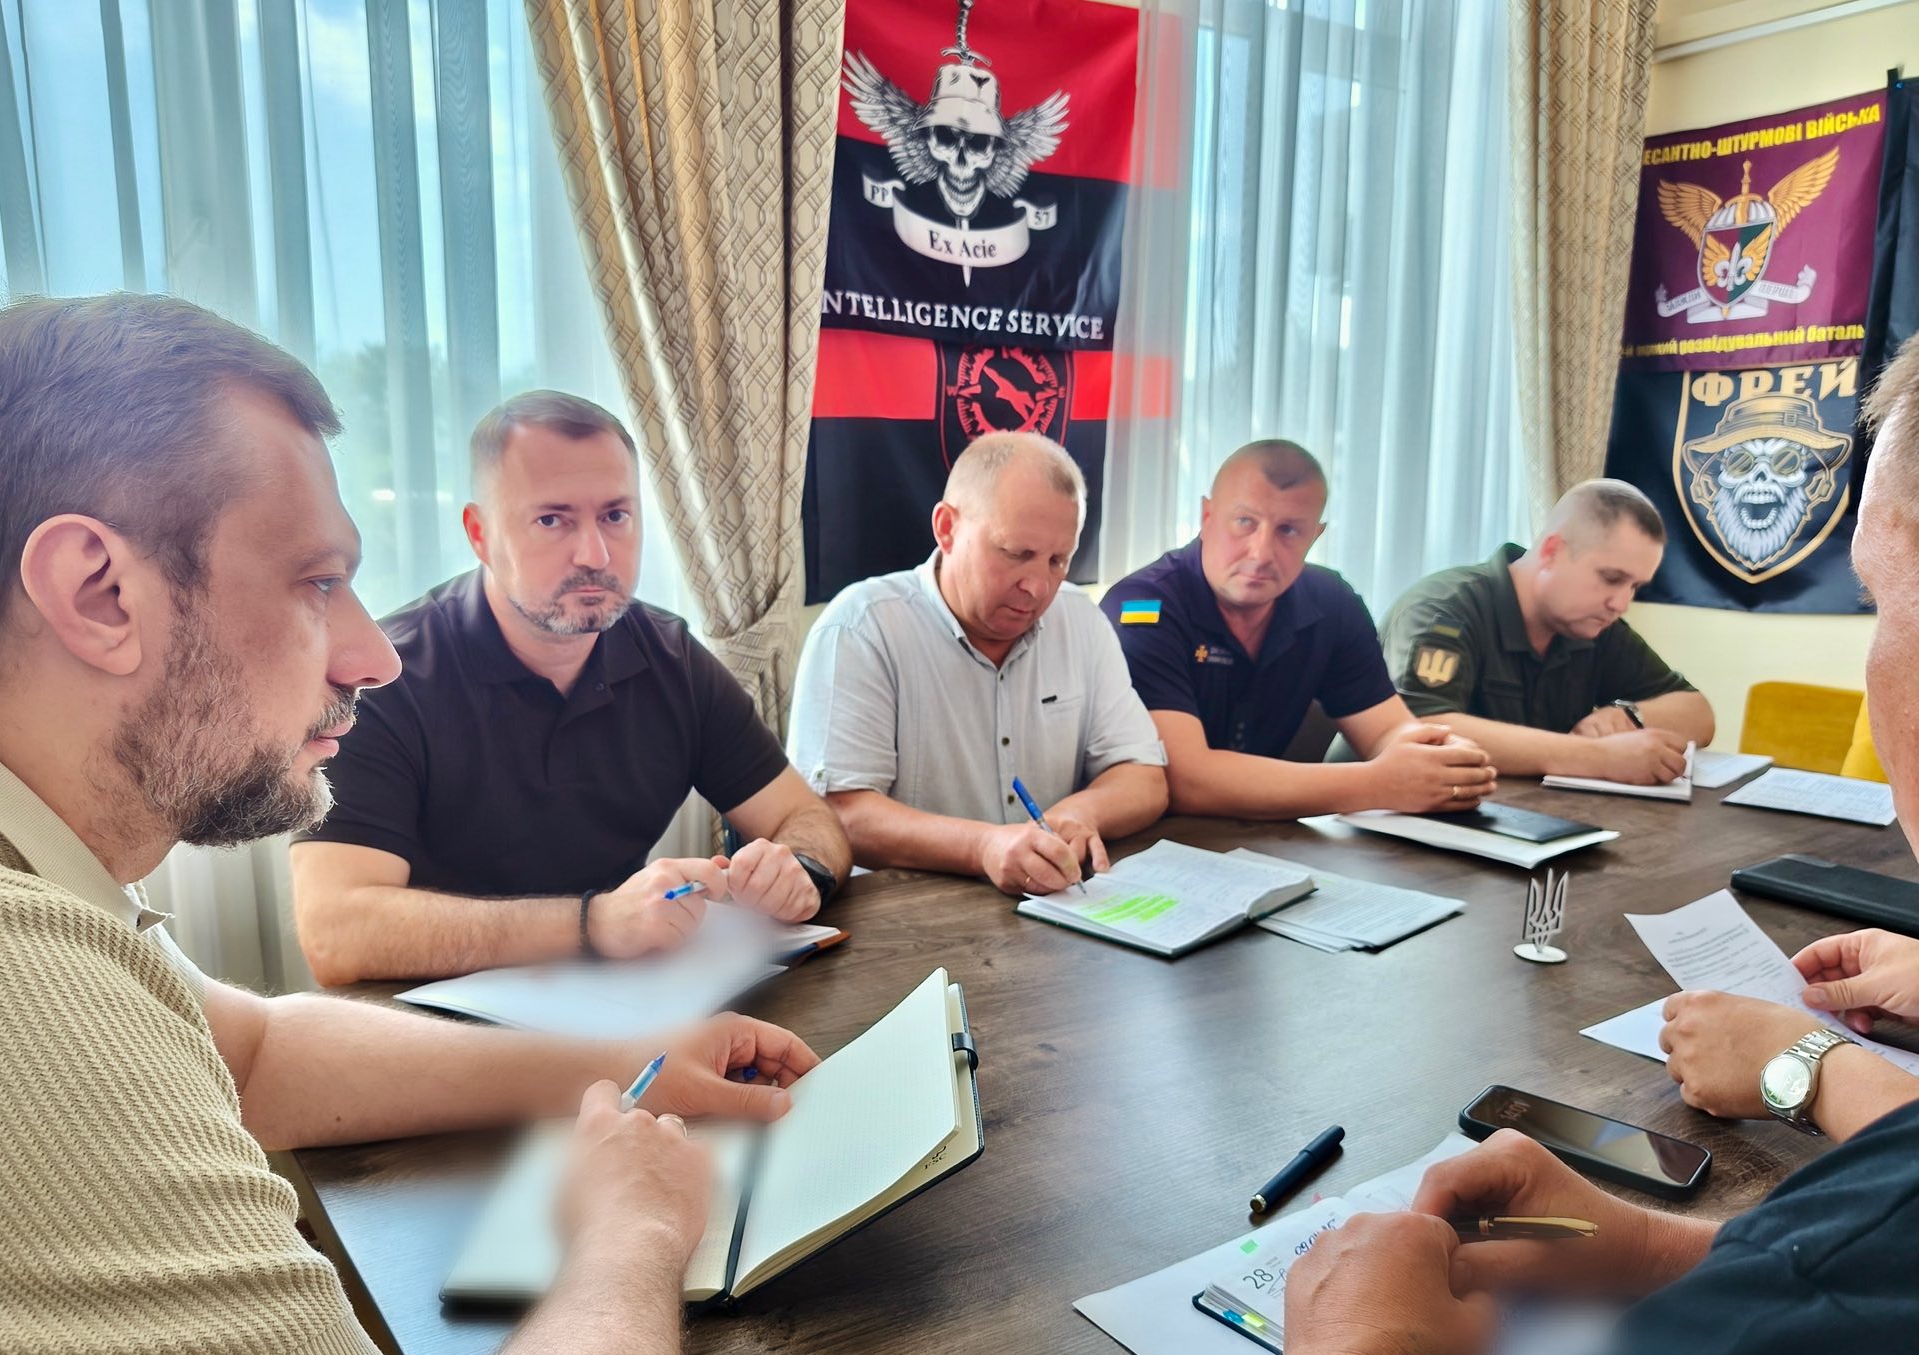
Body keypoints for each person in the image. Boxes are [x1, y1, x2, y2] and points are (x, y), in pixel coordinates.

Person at [0, 294, 821, 1355]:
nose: (371, 656)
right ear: (96, 591)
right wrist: (629, 1226)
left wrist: (620, 1062)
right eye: (318, 583)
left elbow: (256, 1051)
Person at [1163, 335, 1919, 1355]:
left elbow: (1867, 1265)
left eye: (1873, 602)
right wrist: (1651, 1247)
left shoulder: (1818, 1327)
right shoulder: (1373, 602)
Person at [288, 390, 850, 985]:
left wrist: (801, 870)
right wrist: (595, 923)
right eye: (552, 520)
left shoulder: (671, 657)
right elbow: (335, 932)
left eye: (615, 516)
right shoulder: (387, 676)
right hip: (431, 1014)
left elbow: (806, 816)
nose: (595, 554)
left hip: (628, 1000)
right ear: (480, 534)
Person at [790, 433, 1168, 895]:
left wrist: (1078, 814)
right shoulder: (862, 628)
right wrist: (983, 847)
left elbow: (1144, 777)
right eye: (1016, 554)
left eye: (1058, 561)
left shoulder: (1081, 621)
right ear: (947, 528)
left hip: (1052, 904)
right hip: (905, 914)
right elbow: (839, 814)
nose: (1037, 586)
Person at [1100, 440, 1497, 819]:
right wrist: (1378, 783)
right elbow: (1186, 780)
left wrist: (1440, 756)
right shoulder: (1144, 606)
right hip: (1142, 842)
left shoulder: (1330, 600)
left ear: (1315, 535)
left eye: (1288, 530)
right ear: (1207, 517)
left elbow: (1386, 731)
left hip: (1266, 836)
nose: (1261, 553)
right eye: (1244, 522)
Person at [1380, 480, 1716, 785]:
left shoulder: (1592, 624)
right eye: (1611, 579)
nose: (1621, 603)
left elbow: (1698, 713)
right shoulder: (1444, 610)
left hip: (1528, 815)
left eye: (1635, 587)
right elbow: (1422, 727)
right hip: (1401, 820)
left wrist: (1630, 717)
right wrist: (1599, 757)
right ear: (1551, 551)